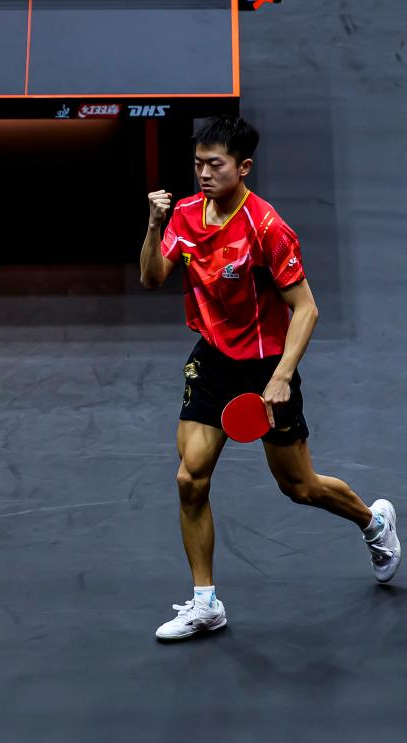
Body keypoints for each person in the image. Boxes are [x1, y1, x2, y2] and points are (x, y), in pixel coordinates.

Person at [140, 115, 400, 642]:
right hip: (213, 360)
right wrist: (152, 225)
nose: (204, 174)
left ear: (243, 167)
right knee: (190, 479)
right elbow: (151, 278)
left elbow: (306, 309)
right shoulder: (185, 214)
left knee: (300, 487)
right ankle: (205, 603)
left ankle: (373, 522)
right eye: (198, 164)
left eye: (215, 165)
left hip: (265, 368)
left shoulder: (266, 228)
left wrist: (281, 378)